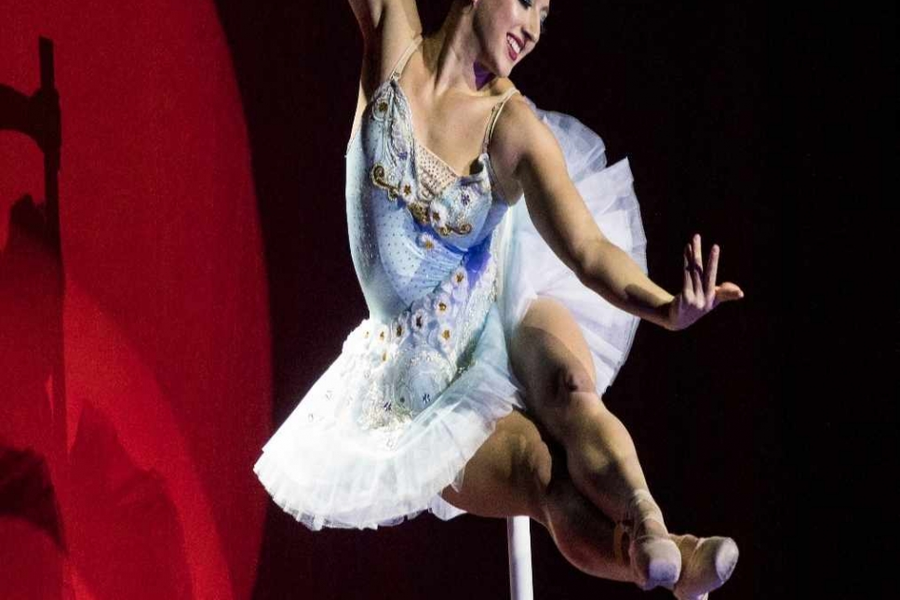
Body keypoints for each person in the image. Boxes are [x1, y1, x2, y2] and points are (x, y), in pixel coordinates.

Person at [254, 0, 745, 597]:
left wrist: (667, 308)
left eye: (545, 16)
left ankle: (651, 524)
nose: (533, 31)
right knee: (539, 473)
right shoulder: (393, 37)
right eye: (526, 4)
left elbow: (588, 250)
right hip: (421, 385)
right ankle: (660, 563)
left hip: (500, 297)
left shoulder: (512, 130)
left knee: (570, 387)